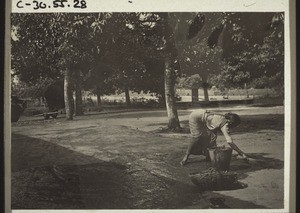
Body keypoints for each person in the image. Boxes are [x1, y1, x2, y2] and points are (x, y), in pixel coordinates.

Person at [180, 109, 248, 165]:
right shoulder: (225, 126)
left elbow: (212, 132)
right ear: (231, 123)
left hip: (201, 114)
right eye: (235, 126)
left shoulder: (224, 118)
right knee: (196, 137)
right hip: (195, 117)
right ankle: (186, 156)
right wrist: (242, 153)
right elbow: (230, 142)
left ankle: (208, 156)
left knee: (210, 137)